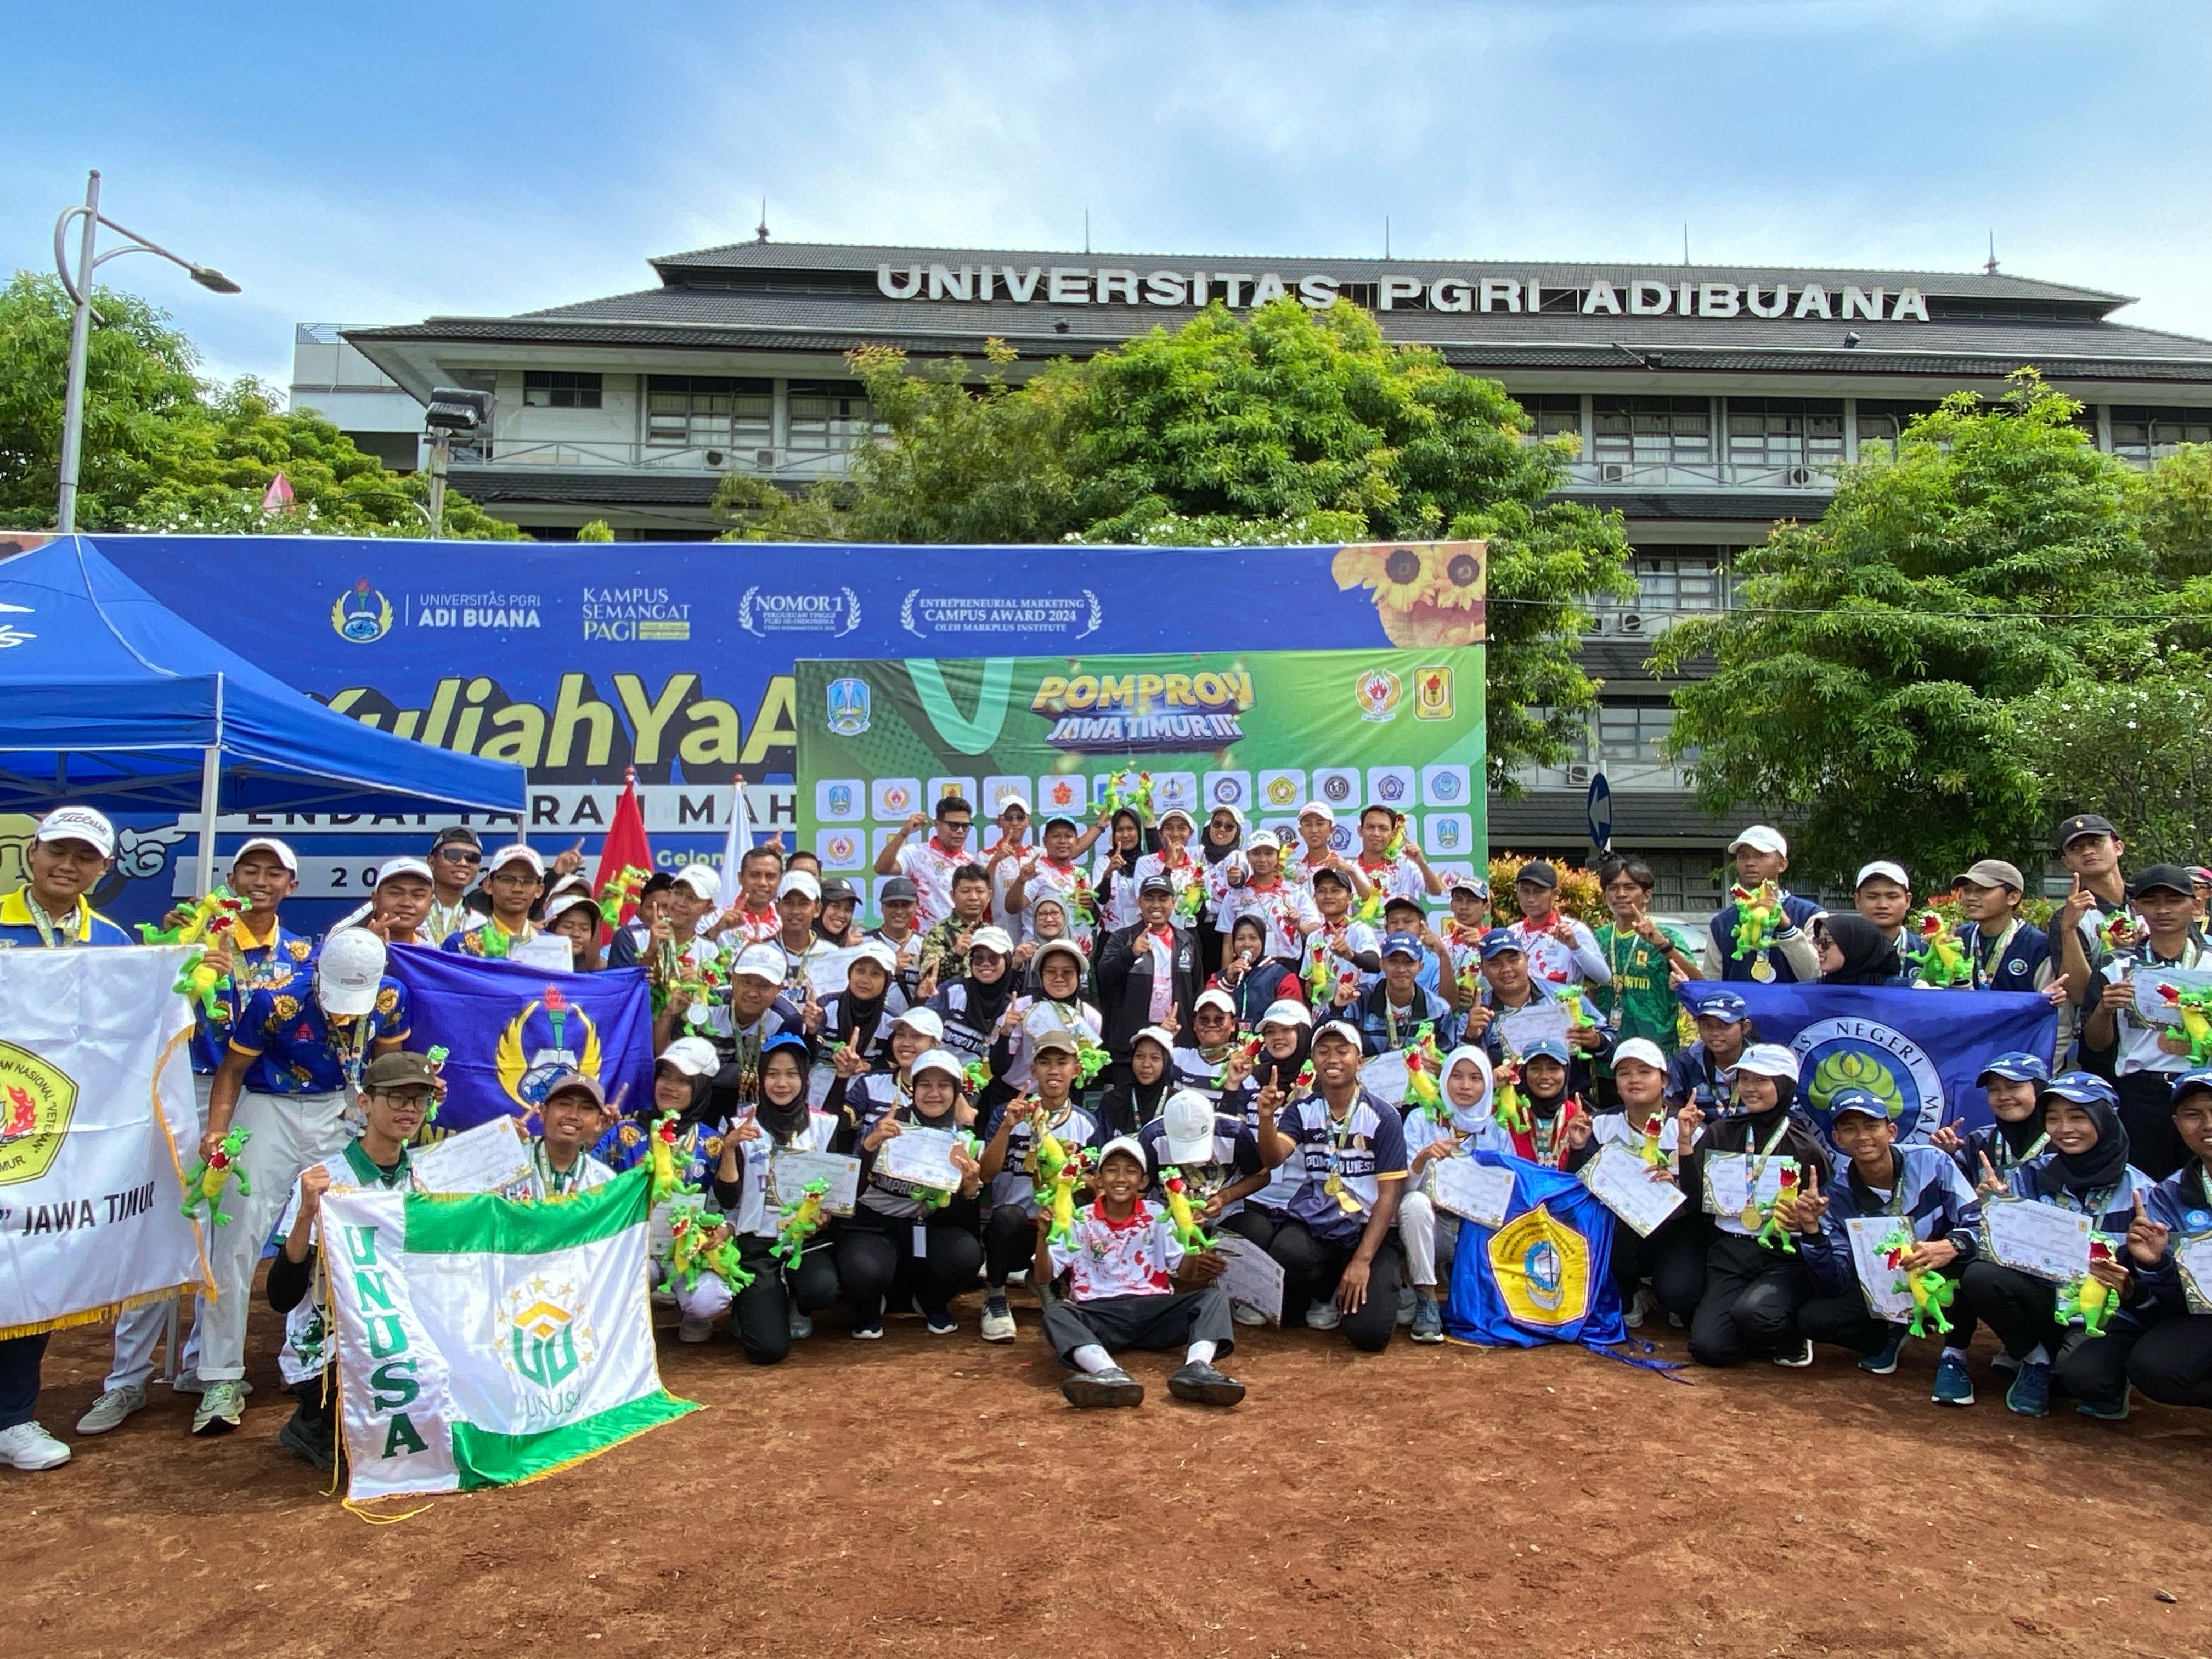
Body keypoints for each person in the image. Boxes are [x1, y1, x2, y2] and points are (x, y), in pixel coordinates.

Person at [88, 835, 313, 1434]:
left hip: (253, 1098)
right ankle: (127, 1378)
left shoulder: (301, 955)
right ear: (230, 878)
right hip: (184, 1084)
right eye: (250, 869)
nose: (261, 881)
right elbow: (143, 1005)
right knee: (164, 1224)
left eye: (274, 873)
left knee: (226, 1232)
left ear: (291, 886)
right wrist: (177, 957)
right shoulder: (193, 932)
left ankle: (199, 1364)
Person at [192, 926, 410, 1434]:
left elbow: (386, 1067)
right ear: (319, 973)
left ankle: (322, 1358)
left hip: (343, 1106)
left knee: (344, 1235)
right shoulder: (276, 1000)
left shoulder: (391, 996)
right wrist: (218, 1130)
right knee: (238, 1236)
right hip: (270, 1107)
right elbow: (232, 1070)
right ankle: (220, 1376)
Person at [0, 807, 131, 1472]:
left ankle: (13, 1416)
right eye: (58, 851)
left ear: (103, 869)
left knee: (34, 1267)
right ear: (33, 853)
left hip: (54, 1134)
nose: (68, 866)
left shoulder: (113, 940)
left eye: (85, 857)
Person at [262, 1049, 438, 1471]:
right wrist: (306, 1215)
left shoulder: (427, 1178)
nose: (409, 1109)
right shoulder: (325, 1179)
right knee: (369, 1450)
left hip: (405, 1329)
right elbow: (281, 1296)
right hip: (331, 1345)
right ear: (365, 1103)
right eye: (396, 1098)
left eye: (419, 1099)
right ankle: (314, 1420)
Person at [1957, 1072, 2161, 1418]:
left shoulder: (2143, 1192)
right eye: (2053, 1118)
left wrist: (2136, 1277)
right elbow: (1986, 1239)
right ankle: (2034, 1358)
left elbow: (2159, 1292)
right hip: (2045, 1299)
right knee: (1980, 1275)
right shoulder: (2030, 1174)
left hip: (2105, 1316)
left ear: (2105, 1119)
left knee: (2084, 1379)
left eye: (2078, 1117)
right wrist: (1995, 1210)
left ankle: (2103, 1376)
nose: (2065, 1129)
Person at [1796, 1088, 1984, 1402]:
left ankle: (1954, 1356)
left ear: (1892, 1131)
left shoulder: (1933, 1162)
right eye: (1850, 1129)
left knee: (1975, 1268)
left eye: (1872, 1126)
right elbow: (1834, 1281)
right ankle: (1890, 1333)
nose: (1862, 1137)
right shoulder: (1836, 1195)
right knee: (1814, 1320)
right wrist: (1812, 1231)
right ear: (1837, 1139)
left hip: (1939, 1275)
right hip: (1884, 1284)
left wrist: (1952, 1245)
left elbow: (1977, 1219)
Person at [1035, 1135, 1245, 1408]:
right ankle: (1108, 1372)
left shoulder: (1157, 1214)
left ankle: (1197, 1368)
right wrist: (1042, 1238)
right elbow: (1043, 1277)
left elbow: (1186, 1273)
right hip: (1100, 1314)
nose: (1121, 1178)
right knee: (1057, 1313)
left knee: (1213, 1298)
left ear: (1144, 1181)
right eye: (1112, 1170)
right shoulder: (1080, 1218)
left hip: (1154, 1311)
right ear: (1098, 1179)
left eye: (1131, 1171)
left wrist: (1191, 1238)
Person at [1674, 1043, 1832, 1368]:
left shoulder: (1805, 1147)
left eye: (1761, 1080)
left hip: (1783, 1257)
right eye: (1744, 1079)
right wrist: (1685, 1146)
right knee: (1709, 1349)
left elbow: (1824, 1216)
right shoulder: (1721, 1133)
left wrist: (1807, 1221)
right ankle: (1752, 1327)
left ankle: (1789, 1332)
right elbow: (1697, 1200)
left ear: (1785, 1085)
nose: (1750, 1088)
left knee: (1755, 1314)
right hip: (1731, 1253)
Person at [1267, 1019, 1408, 1350]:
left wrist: (1362, 1261)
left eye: (1342, 1051)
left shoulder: (1383, 1116)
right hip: (1321, 1224)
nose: (1332, 1059)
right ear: (1313, 1061)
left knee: (1370, 1336)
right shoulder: (1302, 1110)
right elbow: (1273, 1159)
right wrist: (1264, 1119)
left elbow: (1389, 1196)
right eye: (1323, 1051)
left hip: (1368, 1229)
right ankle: (1326, 1289)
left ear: (1359, 1061)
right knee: (1287, 1250)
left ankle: (1381, 1282)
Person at [704, 1032, 845, 1361]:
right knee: (767, 1351)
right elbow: (728, 1200)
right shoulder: (741, 1124)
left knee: (823, 1289)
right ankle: (751, 1306)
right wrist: (729, 1149)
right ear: (761, 1078)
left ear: (805, 1078)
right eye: (773, 1074)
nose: (782, 1084)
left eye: (791, 1074)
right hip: (757, 1242)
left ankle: (795, 1303)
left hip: (803, 1242)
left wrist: (825, 1215)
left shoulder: (824, 1126)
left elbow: (835, 1191)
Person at [842, 1047, 985, 1338]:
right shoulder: (888, 1124)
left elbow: (958, 1220)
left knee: (967, 1254)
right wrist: (869, 1147)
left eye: (944, 1086)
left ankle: (931, 1302)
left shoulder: (962, 1140)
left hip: (925, 1229)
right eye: (925, 1085)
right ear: (913, 1090)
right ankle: (869, 1308)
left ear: (956, 1092)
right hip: (874, 1226)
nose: (934, 1093)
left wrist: (969, 1190)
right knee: (863, 1270)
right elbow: (850, 1188)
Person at [977, 1029, 1108, 1343]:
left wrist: (1074, 1171)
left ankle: (1047, 1282)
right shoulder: (1008, 1113)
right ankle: (995, 1297)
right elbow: (987, 1175)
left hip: (1060, 1231)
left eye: (1062, 1062)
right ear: (1033, 1070)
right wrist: (1006, 1128)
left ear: (1076, 1069)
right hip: (1016, 1230)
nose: (1054, 1070)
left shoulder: (1086, 1124)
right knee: (1008, 1216)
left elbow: (1097, 1189)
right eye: (1045, 1063)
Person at [2082, 864, 2207, 1181]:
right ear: (2136, 907)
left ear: (2195, 903)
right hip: (2142, 1092)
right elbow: (2095, 1046)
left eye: (2174, 900)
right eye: (2151, 902)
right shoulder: (2114, 965)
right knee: (2144, 1182)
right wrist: (2105, 1009)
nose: (2163, 910)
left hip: (2204, 1087)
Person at [1585, 1037, 1703, 1328]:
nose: (1634, 1080)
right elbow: (1585, 1186)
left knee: (1681, 1295)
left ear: (1664, 1080)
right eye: (1624, 1073)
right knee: (1612, 1231)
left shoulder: (1688, 1127)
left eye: (1644, 1072)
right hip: (1621, 1232)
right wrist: (1578, 1149)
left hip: (1677, 1229)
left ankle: (1668, 1291)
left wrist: (1679, 1184)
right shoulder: (1600, 1125)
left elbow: (1704, 1197)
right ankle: (1628, 1293)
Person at [1399, 1045, 1502, 1342]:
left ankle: (1474, 1289)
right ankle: (1427, 1297)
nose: (1465, 1086)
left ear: (1488, 1083)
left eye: (1475, 1078)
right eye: (1457, 1076)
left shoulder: (1497, 1127)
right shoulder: (1421, 1119)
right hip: (1436, 1225)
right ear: (1444, 1079)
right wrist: (1422, 1158)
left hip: (1477, 1230)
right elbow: (1404, 1189)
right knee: (1413, 1204)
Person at [1588, 855, 1699, 1111]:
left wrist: (1663, 946)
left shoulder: (1667, 936)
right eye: (1613, 888)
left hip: (1656, 1053)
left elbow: (1698, 984)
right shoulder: (1598, 938)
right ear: (1605, 896)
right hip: (1610, 1056)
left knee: (1657, 1125)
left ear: (1646, 895)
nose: (1621, 895)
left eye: (1630, 887)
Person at [2132, 1069, 2212, 1412]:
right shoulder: (2168, 1194)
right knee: (2154, 1368)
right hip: (2207, 1313)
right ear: (2178, 1124)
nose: (2208, 1125)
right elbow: (2177, 1300)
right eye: (2193, 1115)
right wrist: (2158, 1265)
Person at [1468, 930, 1609, 1096]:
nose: (1506, 969)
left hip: (1569, 1101)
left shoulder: (1565, 997)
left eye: (1513, 960)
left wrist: (1595, 1040)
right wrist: (1471, 1036)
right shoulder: (1477, 1012)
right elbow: (1459, 1068)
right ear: (1482, 969)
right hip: (1504, 1103)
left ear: (1527, 959)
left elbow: (1610, 1039)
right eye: (1495, 963)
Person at [1095, 875, 1200, 1065]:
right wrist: (1130, 953)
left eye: (1163, 899)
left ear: (1174, 902)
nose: (1156, 905)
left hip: (1176, 1042)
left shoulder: (1187, 941)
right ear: (1139, 903)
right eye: (1149, 899)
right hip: (1131, 1046)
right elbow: (1104, 976)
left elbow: (1196, 989)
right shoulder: (1122, 937)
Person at [1702, 825, 1821, 983]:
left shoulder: (1811, 915)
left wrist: (1787, 927)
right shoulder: (1721, 923)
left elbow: (1818, 976)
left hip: (1794, 1001)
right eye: (1743, 856)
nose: (1750, 863)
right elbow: (1711, 984)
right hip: (1740, 1001)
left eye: (1761, 856)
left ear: (1782, 865)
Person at [2052, 812, 2132, 1025]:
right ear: (2066, 862)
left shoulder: (2147, 900)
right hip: (2101, 1028)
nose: (2087, 852)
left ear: (2118, 847)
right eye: (2075, 848)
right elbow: (2080, 995)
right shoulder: (2066, 917)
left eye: (2096, 842)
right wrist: (2068, 929)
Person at [815, 939, 906, 1118]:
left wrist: (868, 1065)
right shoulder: (827, 1006)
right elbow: (807, 1053)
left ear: (887, 981)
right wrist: (812, 1032)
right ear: (850, 973)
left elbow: (895, 1063)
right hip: (815, 1092)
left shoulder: (890, 1022)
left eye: (875, 974)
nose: (865, 980)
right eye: (860, 971)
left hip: (858, 1101)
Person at [927, 926, 1019, 1097]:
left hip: (979, 1092)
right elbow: (922, 1030)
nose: (985, 964)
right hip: (935, 1080)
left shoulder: (1012, 1008)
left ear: (1007, 961)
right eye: (978, 958)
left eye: (993, 958)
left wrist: (1005, 1034)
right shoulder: (952, 991)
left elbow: (1001, 1068)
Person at [1006, 940, 1103, 1099]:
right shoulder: (1021, 1008)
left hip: (1064, 1098)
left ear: (1078, 976)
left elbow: (1085, 1071)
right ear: (1041, 975)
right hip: (1017, 1095)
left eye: (1068, 972)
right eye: (1051, 972)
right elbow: (1000, 1065)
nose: (1059, 978)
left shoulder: (1090, 1016)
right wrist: (1004, 1033)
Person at [1947, 859, 2055, 994]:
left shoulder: (2037, 945)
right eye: (1967, 890)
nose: (1971, 897)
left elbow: (2047, 1000)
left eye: (1984, 890)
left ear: (2013, 897)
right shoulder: (1960, 938)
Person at [1215, 830, 1321, 966]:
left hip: (1285, 967)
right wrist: (1227, 976)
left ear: (1278, 856)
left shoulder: (1295, 891)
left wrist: (1299, 924)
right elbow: (1228, 942)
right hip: (1248, 966)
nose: (1263, 860)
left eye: (1269, 853)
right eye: (1256, 853)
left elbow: (1315, 929)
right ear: (1248, 857)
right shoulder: (1234, 896)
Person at [874, 794, 978, 932]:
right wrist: (904, 833)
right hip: (921, 939)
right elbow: (882, 868)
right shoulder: (916, 853)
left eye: (965, 826)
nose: (960, 831)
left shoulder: (971, 862)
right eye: (954, 825)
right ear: (937, 825)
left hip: (958, 939)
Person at [1503, 860, 1610, 991]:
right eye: (1525, 891)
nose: (1531, 899)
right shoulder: (1512, 933)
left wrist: (1575, 947)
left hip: (1563, 1003)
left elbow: (1604, 977)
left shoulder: (1574, 930)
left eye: (1538, 892)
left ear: (1555, 894)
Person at [1354, 933, 1462, 1056]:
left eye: (1409, 962)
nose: (1401, 969)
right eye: (1393, 961)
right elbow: (1338, 1046)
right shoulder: (1359, 1000)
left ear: (1421, 967)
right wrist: (1338, 1007)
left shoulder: (1439, 1010)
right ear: (1382, 964)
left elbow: (1449, 1058)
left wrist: (1439, 1064)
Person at [1297, 866, 1382, 1008]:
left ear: (1349, 897)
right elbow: (1309, 983)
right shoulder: (1314, 937)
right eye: (1322, 891)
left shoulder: (1359, 929)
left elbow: (1375, 964)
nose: (1328, 896)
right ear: (1315, 898)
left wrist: (1351, 955)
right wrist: (1310, 985)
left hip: (1354, 1009)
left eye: (1336, 890)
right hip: (1322, 1013)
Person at [443, 844, 546, 958]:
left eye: (528, 881)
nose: (517, 889)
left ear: (539, 890)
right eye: (507, 879)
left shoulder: (552, 947)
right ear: (488, 885)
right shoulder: (462, 946)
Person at [527, 1070, 617, 1197]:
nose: (573, 1115)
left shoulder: (606, 1182)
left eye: (586, 1108)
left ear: (599, 1122)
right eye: (564, 1104)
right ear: (543, 1113)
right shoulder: (508, 1169)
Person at [1667, 987, 1756, 1112]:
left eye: (1725, 1025)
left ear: (1745, 1027)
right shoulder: (1685, 1063)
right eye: (1707, 1025)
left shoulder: (1762, 1062)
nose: (1715, 1033)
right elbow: (1668, 1108)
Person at [915, 863, 995, 993]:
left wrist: (1016, 963)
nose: (973, 897)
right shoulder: (938, 934)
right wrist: (956, 955)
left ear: (989, 896)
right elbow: (929, 979)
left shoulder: (994, 934)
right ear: (953, 896)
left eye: (980, 891)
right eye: (966, 891)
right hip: (949, 1002)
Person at [1214, 915, 1295, 1027]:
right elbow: (1208, 1010)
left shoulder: (1282, 977)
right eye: (1240, 939)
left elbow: (1290, 1018)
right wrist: (1227, 982)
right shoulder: (1221, 977)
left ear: (1263, 941)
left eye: (1253, 938)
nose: (1247, 944)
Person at [1352, 803, 1444, 901]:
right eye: (1370, 827)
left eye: (1383, 829)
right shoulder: (1351, 870)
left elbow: (1437, 891)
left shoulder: (1405, 865)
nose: (1376, 833)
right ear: (1360, 831)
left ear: (1393, 834)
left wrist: (1421, 863)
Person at [1132, 806, 1204, 921]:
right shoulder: (1146, 863)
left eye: (1182, 828)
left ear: (1191, 833)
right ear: (1160, 833)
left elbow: (1200, 910)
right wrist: (1169, 864)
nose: (1175, 833)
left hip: (1188, 929)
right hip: (1153, 927)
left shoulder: (1196, 868)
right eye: (1169, 828)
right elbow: (1143, 899)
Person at [710, 843, 786, 949]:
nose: (763, 883)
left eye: (770, 876)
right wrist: (716, 930)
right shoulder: (715, 918)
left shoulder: (786, 921)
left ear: (781, 880)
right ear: (740, 878)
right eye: (755, 875)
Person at [1092, 805, 1153, 936]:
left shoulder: (1148, 863)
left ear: (1139, 832)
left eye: (1131, 829)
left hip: (1143, 935)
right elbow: (1100, 900)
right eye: (1120, 830)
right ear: (1114, 834)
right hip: (1111, 936)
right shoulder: (1104, 862)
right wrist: (1108, 874)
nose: (1125, 835)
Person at [981, 794, 1034, 942]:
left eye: (1020, 818)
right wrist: (995, 861)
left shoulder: (1037, 855)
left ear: (1028, 822)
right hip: (999, 940)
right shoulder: (985, 857)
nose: (1015, 823)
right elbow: (982, 893)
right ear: (999, 822)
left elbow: (1072, 851)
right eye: (1009, 818)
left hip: (1032, 941)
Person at [866, 874, 927, 1002]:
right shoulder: (864, 944)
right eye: (892, 905)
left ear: (916, 906)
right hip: (872, 1014)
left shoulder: (927, 945)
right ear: (882, 907)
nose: (899, 911)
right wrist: (890, 968)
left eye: (905, 905)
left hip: (912, 1014)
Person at [423, 825, 484, 944]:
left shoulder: (481, 923)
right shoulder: (409, 912)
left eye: (473, 858)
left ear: (479, 867)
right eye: (453, 855)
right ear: (432, 862)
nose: (463, 863)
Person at [360, 856, 438, 947]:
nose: (407, 903)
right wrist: (367, 946)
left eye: (418, 895)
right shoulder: (352, 943)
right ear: (375, 900)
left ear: (430, 905)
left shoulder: (432, 949)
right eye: (396, 893)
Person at [1814, 912, 1908, 985]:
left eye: (1826, 942)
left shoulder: (1900, 990)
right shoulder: (1813, 991)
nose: (1819, 949)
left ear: (1855, 946)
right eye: (1818, 942)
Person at [606, 871, 676, 969]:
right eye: (651, 907)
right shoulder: (628, 936)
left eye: (666, 906)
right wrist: (651, 953)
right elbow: (623, 978)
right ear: (639, 912)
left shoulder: (697, 941)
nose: (660, 914)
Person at [1852, 861, 1916, 959]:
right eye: (1872, 897)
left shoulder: (1927, 950)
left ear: (1907, 900)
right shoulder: (1838, 953)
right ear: (1858, 901)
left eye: (1892, 897)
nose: (1883, 905)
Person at [545, 886, 606, 970]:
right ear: (550, 929)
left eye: (584, 929)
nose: (576, 934)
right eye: (568, 927)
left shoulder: (594, 972)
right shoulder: (531, 965)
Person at [815, 877, 862, 947]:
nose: (841, 915)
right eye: (835, 906)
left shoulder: (853, 943)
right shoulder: (804, 943)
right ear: (819, 908)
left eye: (848, 910)